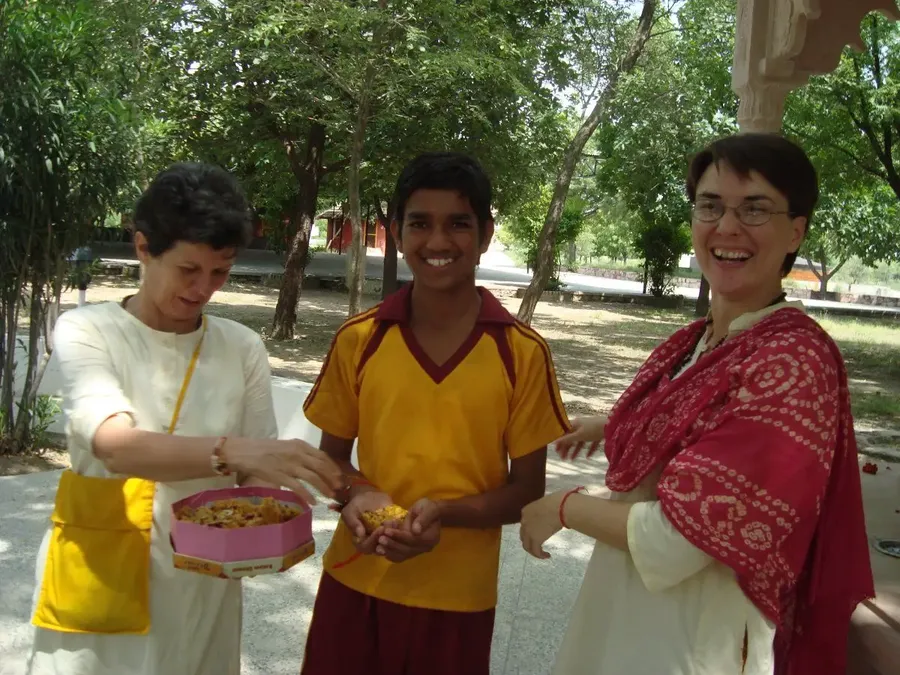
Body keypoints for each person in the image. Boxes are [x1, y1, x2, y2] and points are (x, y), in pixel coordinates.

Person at [520, 133, 875, 675]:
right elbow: (697, 425)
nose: (727, 227)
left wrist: (563, 507)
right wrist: (613, 423)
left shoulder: (792, 362)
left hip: (692, 639)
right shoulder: (698, 343)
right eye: (711, 205)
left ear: (795, 231)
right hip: (623, 613)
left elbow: (682, 536)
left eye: (755, 208)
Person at [26, 162, 342, 675]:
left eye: (220, 272)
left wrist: (273, 517)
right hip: (99, 570)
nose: (204, 288)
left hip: (201, 583)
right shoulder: (89, 329)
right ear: (144, 248)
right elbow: (112, 444)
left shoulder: (241, 347)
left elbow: (255, 477)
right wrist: (230, 451)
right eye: (188, 270)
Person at [300, 152, 571, 675]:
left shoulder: (521, 353)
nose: (438, 241)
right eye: (420, 223)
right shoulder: (360, 340)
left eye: (459, 224)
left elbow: (526, 490)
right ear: (398, 232)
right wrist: (359, 495)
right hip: (355, 579)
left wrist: (443, 514)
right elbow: (331, 460)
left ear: (486, 233)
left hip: (457, 599)